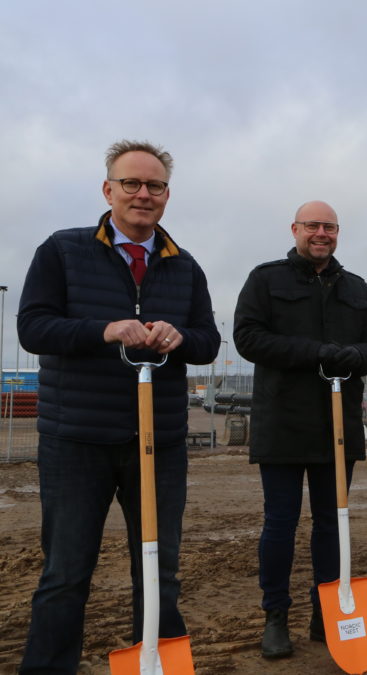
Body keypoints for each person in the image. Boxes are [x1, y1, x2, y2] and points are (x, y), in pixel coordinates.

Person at [16, 140, 220, 673]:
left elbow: (208, 342)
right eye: (131, 184)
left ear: (167, 196)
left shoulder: (185, 266)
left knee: (160, 567)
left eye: (154, 186)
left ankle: (154, 659)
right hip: (76, 439)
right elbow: (33, 327)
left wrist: (182, 338)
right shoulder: (62, 251)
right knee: (65, 571)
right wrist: (104, 330)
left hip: (159, 443)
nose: (142, 194)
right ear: (108, 190)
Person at [233, 200, 367, 658]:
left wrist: (360, 356)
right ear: (295, 229)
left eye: (330, 227)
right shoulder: (266, 279)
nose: (321, 233)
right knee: (279, 524)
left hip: (337, 425)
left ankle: (328, 613)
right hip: (282, 422)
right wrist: (316, 352)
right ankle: (275, 616)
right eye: (313, 226)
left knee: (332, 524)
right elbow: (248, 337)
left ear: (337, 233)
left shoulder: (355, 286)